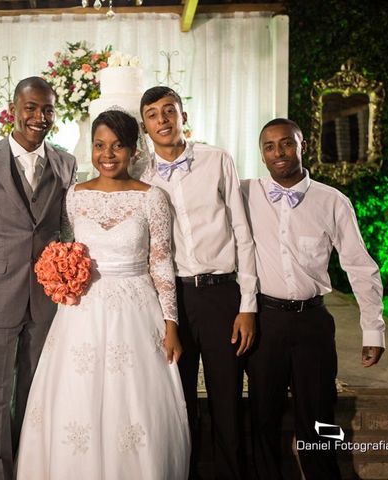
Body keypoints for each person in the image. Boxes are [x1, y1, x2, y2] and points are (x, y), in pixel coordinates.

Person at [16, 109, 190, 479]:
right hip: (83, 310)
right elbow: (66, 246)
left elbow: (161, 263)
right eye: (99, 145)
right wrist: (60, 273)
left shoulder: (153, 198)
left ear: (133, 150)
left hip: (136, 307)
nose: (107, 154)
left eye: (117, 146)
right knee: (77, 397)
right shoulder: (75, 196)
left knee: (132, 403)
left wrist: (171, 323)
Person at [242, 118, 386, 480]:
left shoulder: (332, 201)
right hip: (266, 321)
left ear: (302, 145)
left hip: (312, 323)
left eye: (287, 144)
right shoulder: (245, 193)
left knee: (320, 419)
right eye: (270, 146)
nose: (279, 153)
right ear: (262, 153)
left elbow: (359, 266)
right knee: (263, 418)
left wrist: (373, 330)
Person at [139, 86, 257, 479]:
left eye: (169, 111)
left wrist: (247, 305)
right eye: (153, 114)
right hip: (174, 300)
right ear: (145, 126)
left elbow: (243, 233)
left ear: (182, 115)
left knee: (227, 400)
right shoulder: (140, 175)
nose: (163, 120)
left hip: (223, 294)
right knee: (180, 402)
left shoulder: (217, 159)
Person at [0, 76, 77, 480]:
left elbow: (66, 229)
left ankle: (30, 468)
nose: (39, 117)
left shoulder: (65, 162)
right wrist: (0, 245)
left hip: (47, 297)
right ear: (13, 108)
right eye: (31, 108)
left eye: (47, 109)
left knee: (35, 390)